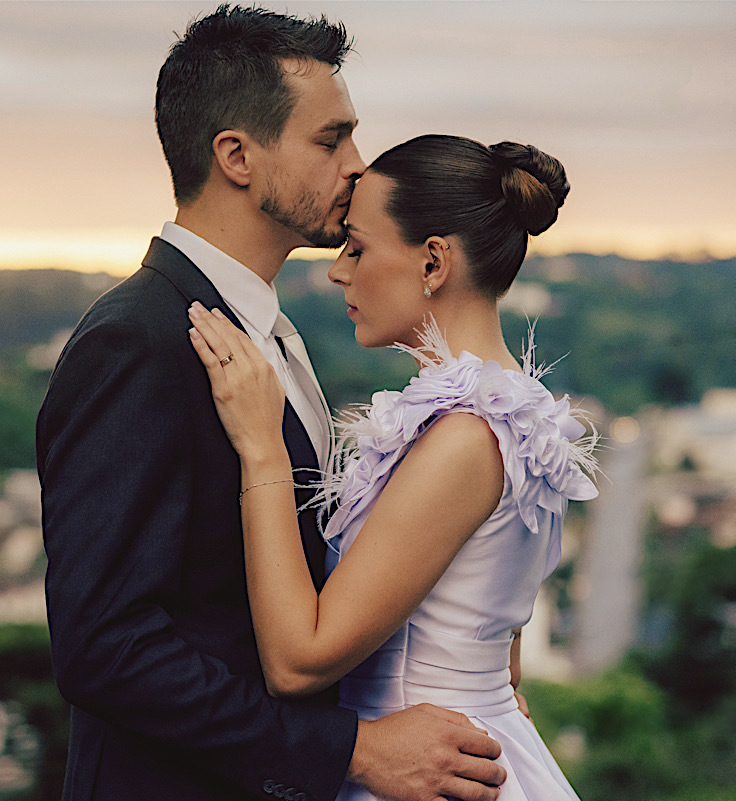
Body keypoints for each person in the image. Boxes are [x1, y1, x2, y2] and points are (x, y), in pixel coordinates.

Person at [37, 6, 507, 801]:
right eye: (331, 140)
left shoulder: (273, 332)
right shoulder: (137, 341)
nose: (358, 166)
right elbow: (105, 647)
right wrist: (351, 749)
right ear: (237, 156)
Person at [186, 133, 599, 801]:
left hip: (422, 772)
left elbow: (298, 662)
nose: (337, 270)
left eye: (357, 246)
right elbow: (500, 638)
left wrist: (260, 446)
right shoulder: (524, 417)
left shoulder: (465, 438)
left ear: (433, 261)